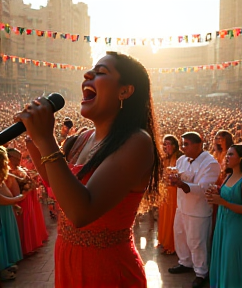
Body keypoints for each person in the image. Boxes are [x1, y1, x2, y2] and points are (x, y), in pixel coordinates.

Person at [16, 51, 162, 288]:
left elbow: (81, 212)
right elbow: (57, 187)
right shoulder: (82, 138)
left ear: (124, 91)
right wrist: (34, 138)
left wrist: (46, 139)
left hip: (107, 271)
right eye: (90, 71)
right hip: (68, 260)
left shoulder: (136, 142)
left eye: (101, 72)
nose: (87, 75)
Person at [168, 132, 220, 288]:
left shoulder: (210, 163)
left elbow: (204, 188)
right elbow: (178, 176)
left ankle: (201, 272)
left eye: (186, 144)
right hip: (182, 206)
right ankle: (185, 262)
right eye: (183, 144)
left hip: (198, 210)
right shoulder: (182, 159)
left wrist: (181, 184)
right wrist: (173, 180)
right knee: (180, 236)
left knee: (197, 242)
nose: (183, 147)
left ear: (199, 144)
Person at [206, 144, 242, 288]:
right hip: (224, 223)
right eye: (227, 154)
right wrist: (215, 192)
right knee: (222, 258)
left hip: (239, 227)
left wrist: (222, 202)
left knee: (232, 262)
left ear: (241, 158)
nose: (226, 157)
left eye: (231, 154)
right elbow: (227, 195)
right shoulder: (229, 176)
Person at [0, 146, 24, 281]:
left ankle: (6, 264)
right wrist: (17, 199)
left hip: (6, 208)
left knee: (5, 239)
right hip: (2, 209)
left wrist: (14, 204)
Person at [157, 134, 183, 255]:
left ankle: (172, 244)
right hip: (165, 191)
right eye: (164, 144)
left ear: (174, 145)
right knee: (164, 217)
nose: (165, 146)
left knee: (172, 218)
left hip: (175, 192)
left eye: (168, 144)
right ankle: (164, 240)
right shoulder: (164, 158)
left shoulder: (180, 157)